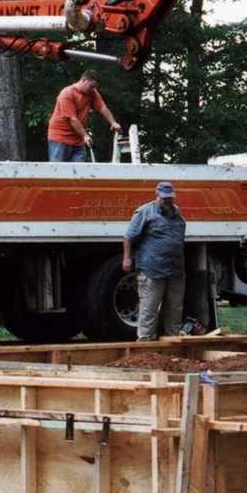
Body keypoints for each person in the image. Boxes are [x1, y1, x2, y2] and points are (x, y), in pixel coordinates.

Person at [123, 181, 187, 340]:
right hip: (152, 269)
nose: (167, 201)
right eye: (164, 198)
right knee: (149, 308)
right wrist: (127, 259)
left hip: (175, 269)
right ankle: (145, 342)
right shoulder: (145, 212)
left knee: (175, 308)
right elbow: (129, 237)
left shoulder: (177, 212)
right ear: (157, 195)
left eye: (170, 198)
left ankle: (172, 341)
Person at [47, 69, 121, 162]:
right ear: (84, 80)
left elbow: (102, 107)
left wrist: (113, 122)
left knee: (80, 172)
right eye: (91, 86)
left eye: (95, 87)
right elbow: (72, 119)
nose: (93, 89)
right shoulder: (67, 94)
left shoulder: (92, 93)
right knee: (58, 171)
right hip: (60, 138)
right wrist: (85, 136)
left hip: (78, 139)